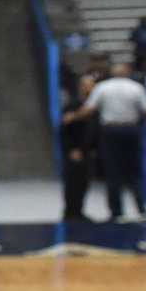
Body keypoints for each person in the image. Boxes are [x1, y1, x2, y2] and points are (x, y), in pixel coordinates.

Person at [80, 61, 146, 222]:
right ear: (128, 72)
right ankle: (142, 211)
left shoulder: (103, 87)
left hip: (111, 131)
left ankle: (117, 213)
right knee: (134, 172)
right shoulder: (136, 88)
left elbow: (89, 109)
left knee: (113, 172)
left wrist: (72, 117)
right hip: (130, 130)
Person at [60, 74, 97, 223]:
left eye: (91, 85)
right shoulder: (73, 105)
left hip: (88, 151)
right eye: (85, 85)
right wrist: (71, 149)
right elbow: (64, 129)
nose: (88, 88)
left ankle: (79, 211)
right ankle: (70, 212)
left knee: (84, 182)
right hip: (74, 151)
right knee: (72, 182)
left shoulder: (95, 105)